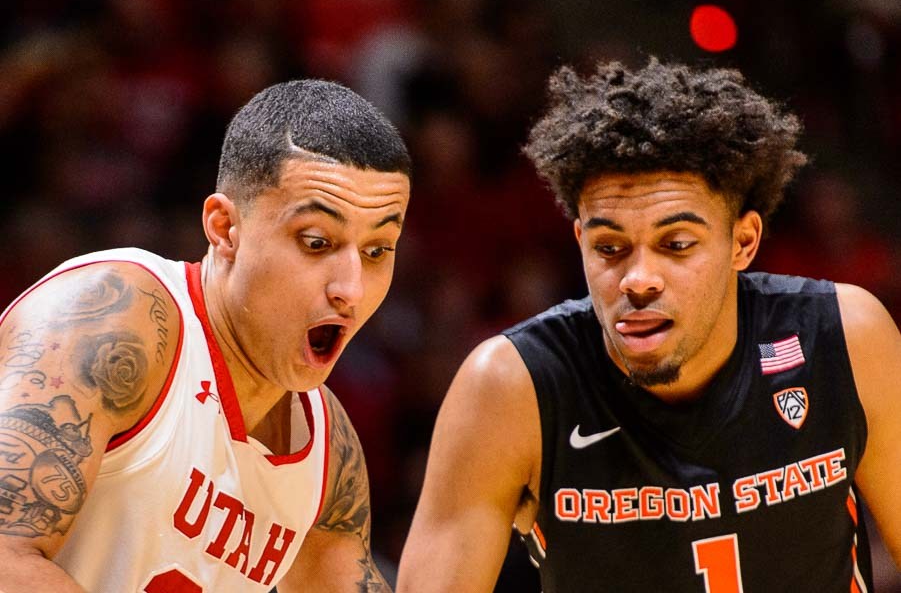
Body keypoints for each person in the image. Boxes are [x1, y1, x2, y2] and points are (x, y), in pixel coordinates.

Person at [397, 58, 901, 592]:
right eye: (610, 248)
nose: (638, 280)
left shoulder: (843, 336)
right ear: (580, 244)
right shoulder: (510, 386)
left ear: (743, 242)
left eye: (676, 245)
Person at [0, 79, 411, 592]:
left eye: (377, 251)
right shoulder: (115, 318)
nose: (350, 289)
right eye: (316, 242)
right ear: (224, 228)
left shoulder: (329, 451)